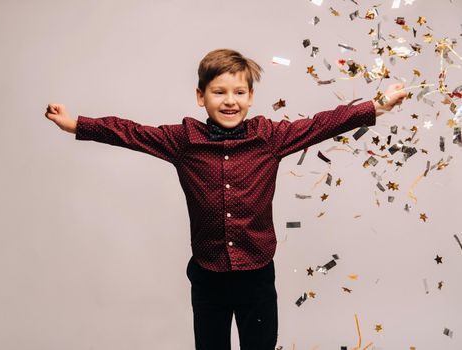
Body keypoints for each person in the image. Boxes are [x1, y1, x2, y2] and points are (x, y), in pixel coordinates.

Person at [44, 48, 407, 350]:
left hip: (257, 275)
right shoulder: (183, 141)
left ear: (250, 97)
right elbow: (131, 132)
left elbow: (322, 123)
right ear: (200, 96)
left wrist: (379, 105)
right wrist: (77, 124)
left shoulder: (270, 137)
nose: (229, 101)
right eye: (219, 92)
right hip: (208, 276)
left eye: (239, 93)